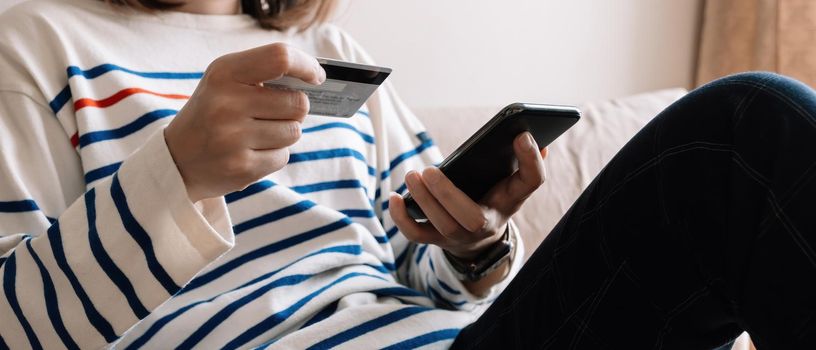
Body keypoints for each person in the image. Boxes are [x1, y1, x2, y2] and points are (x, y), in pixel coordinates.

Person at [0, 1, 814, 350]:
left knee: (765, 136)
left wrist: (470, 241)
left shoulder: (336, 52)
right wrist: (173, 176)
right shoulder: (34, 42)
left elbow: (421, 268)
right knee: (742, 135)